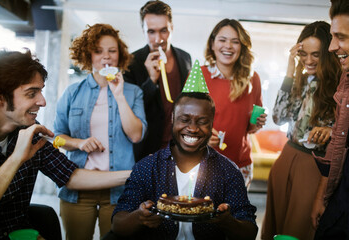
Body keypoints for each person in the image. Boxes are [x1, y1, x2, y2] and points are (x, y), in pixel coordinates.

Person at [0, 50, 131, 240]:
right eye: (31, 93)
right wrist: (16, 158)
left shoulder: (31, 133)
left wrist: (135, 175)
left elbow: (71, 175)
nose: (42, 101)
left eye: (41, 91)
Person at [102, 89, 258, 240]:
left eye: (202, 122)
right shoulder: (147, 167)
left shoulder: (228, 171)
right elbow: (118, 225)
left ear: (212, 124)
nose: (192, 128)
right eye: (184, 120)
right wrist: (139, 216)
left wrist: (227, 221)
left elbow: (249, 231)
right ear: (172, 119)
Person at [53, 24, 147, 239]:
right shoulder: (72, 92)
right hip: (78, 189)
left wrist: (119, 95)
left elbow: (136, 135)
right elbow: (56, 138)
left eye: (112, 51)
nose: (106, 57)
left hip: (119, 190)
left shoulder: (133, 93)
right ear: (88, 55)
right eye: (98, 51)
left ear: (119, 55)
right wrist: (78, 143)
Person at [261, 21, 341, 240]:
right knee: (275, 228)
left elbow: (346, 130)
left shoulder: (341, 85)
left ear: (328, 53)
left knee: (299, 230)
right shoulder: (300, 81)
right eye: (303, 54)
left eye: (316, 54)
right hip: (287, 156)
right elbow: (278, 117)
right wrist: (289, 69)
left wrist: (331, 130)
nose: (308, 60)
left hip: (314, 163)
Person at [311, 0, 349, 239]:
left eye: (341, 37)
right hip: (341, 204)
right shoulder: (347, 81)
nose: (332, 47)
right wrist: (322, 198)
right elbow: (337, 146)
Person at [124, 0, 192, 161]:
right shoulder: (131, 63)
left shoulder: (185, 57)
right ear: (143, 31)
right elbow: (130, 111)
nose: (158, 39)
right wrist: (151, 80)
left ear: (172, 28)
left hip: (180, 146)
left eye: (164, 31)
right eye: (151, 32)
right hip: (147, 148)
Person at [202, 18, 267, 187]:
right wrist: (202, 136)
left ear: (242, 47)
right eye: (222, 40)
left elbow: (251, 127)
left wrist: (257, 122)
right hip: (203, 163)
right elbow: (182, 120)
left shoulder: (253, 79)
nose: (228, 46)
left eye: (235, 41)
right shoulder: (199, 75)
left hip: (240, 164)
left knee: (234, 213)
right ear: (212, 44)